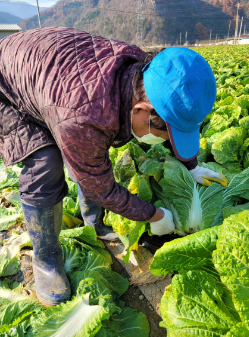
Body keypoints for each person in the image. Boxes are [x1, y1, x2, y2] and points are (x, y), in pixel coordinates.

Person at [0, 27, 229, 307]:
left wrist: (191, 165)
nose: (165, 140)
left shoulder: (144, 73)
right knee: (45, 164)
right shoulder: (83, 116)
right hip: (7, 84)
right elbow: (99, 184)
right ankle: (46, 259)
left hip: (52, 77)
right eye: (165, 133)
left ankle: (93, 223)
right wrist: (153, 215)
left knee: (89, 148)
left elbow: (169, 117)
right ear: (140, 110)